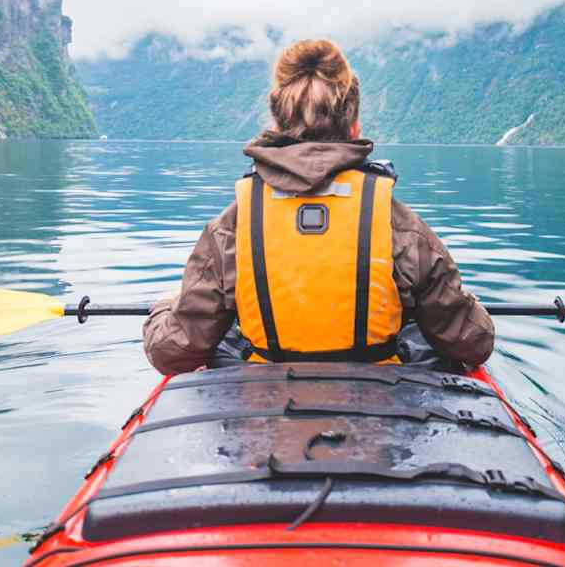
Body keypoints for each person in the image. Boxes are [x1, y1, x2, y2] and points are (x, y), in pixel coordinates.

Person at [142, 39, 494, 374]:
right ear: (354, 126)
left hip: (267, 407)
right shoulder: (396, 223)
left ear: (277, 124)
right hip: (377, 402)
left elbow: (174, 352)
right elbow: (472, 344)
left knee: (228, 338)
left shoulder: (233, 225)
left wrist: (164, 308)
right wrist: (466, 305)